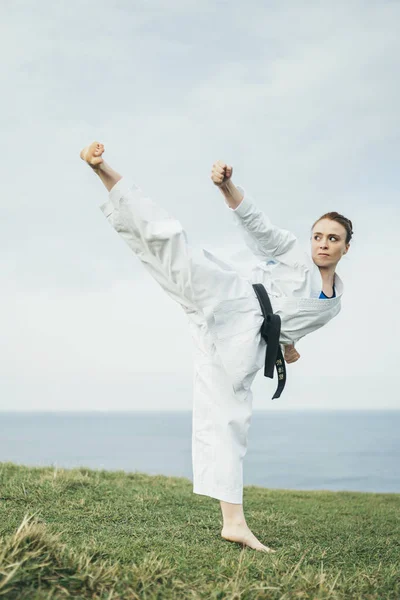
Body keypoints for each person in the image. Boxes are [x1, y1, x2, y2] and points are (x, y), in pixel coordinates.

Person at [80, 141, 352, 553]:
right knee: (170, 246)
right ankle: (104, 171)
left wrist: (289, 348)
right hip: (232, 299)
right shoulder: (295, 257)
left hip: (238, 347)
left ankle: (234, 524)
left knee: (228, 423)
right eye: (317, 235)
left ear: (346, 248)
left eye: (333, 239)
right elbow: (258, 225)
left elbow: (291, 328)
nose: (322, 244)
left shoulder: (332, 308)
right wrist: (228, 186)